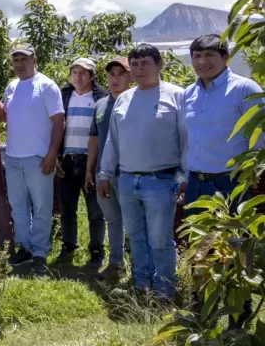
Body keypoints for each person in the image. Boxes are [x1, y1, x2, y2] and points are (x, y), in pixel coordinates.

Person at [183, 34, 263, 327]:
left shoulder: (243, 89)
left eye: (209, 56)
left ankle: (238, 314)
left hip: (232, 183)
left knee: (235, 249)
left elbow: (260, 136)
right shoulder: (188, 93)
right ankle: (201, 309)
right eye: (197, 56)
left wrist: (252, 175)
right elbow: (188, 139)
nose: (202, 62)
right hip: (197, 182)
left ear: (225, 58)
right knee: (200, 248)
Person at [98, 43, 187, 302]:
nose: (139, 69)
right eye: (134, 64)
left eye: (145, 63)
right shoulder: (123, 99)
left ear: (160, 65)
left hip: (161, 179)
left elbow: (186, 140)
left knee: (160, 239)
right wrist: (104, 174)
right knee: (135, 236)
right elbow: (112, 141)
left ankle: (165, 291)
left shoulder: (176, 95)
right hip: (126, 179)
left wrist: (183, 177)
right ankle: (142, 284)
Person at [0, 43, 65, 275]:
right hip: (13, 158)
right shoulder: (12, 86)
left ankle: (40, 252)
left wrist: (52, 153)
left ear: (35, 59)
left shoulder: (46, 86)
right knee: (18, 207)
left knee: (42, 207)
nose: (20, 64)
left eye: (24, 59)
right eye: (16, 60)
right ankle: (24, 247)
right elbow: (4, 115)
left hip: (38, 158)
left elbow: (59, 120)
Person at [56, 57, 108, 267]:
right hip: (67, 160)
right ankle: (69, 245)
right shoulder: (63, 95)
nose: (78, 76)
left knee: (96, 211)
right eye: (74, 72)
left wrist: (97, 164)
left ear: (93, 76)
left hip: (91, 162)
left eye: (83, 73)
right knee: (67, 208)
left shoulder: (102, 98)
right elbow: (55, 127)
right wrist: (57, 156)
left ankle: (97, 250)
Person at [86, 57, 132, 281]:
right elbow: (94, 138)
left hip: (128, 173)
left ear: (130, 76)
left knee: (134, 222)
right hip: (103, 173)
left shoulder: (134, 101)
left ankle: (141, 268)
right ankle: (116, 263)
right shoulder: (101, 104)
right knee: (112, 220)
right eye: (112, 74)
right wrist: (90, 169)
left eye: (121, 74)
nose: (115, 79)